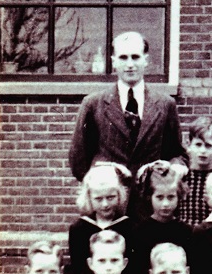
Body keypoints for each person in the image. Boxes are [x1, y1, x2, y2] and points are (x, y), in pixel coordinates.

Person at [68, 31, 186, 182]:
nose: (130, 64)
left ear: (146, 60)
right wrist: (100, 185)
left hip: (149, 195)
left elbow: (177, 154)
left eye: (135, 57)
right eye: (123, 58)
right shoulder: (93, 104)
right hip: (111, 194)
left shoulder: (165, 104)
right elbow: (78, 161)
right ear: (114, 62)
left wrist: (173, 167)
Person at [128, 160, 193, 274]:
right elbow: (136, 273)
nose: (165, 204)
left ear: (179, 197)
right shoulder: (139, 232)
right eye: (159, 197)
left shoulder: (187, 232)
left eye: (171, 197)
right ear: (150, 197)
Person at [67, 163, 136, 274]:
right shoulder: (79, 229)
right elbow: (79, 269)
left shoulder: (129, 227)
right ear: (89, 198)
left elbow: (133, 267)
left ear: (119, 195)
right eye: (99, 199)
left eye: (110, 197)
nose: (105, 204)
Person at [177, 117, 212, 227]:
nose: (202, 151)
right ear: (188, 145)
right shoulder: (180, 177)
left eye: (208, 145)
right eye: (198, 144)